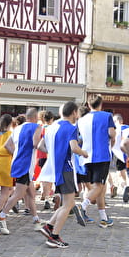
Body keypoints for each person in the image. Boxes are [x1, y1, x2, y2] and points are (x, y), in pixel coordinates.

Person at [38, 101, 88, 248]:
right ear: (74, 112)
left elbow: (41, 146)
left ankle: (49, 226)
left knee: (68, 202)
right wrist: (83, 152)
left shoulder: (52, 127)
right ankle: (54, 236)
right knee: (68, 204)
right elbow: (74, 147)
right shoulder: (71, 128)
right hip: (66, 168)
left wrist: (54, 153)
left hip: (55, 168)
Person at [0, 108, 43, 232]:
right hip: (26, 164)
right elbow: (35, 143)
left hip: (17, 162)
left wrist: (16, 153)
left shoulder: (17, 128)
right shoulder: (37, 127)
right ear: (35, 117)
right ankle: (1, 216)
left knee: (31, 193)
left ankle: (36, 220)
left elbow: (7, 145)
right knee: (19, 194)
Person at [74, 95, 116, 228]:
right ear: (101, 104)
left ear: (88, 104)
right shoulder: (106, 116)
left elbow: (78, 138)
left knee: (99, 189)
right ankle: (82, 206)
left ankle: (104, 218)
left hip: (86, 156)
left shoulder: (81, 119)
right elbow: (112, 134)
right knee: (99, 186)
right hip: (101, 154)